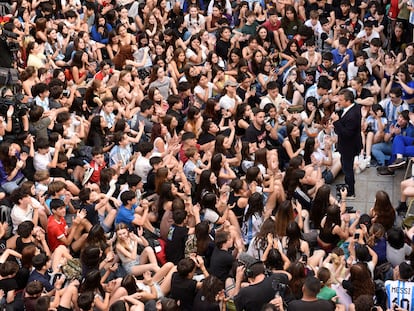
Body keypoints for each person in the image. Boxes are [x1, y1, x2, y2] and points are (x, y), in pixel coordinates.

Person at [330, 88, 362, 199]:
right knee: (345, 165)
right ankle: (347, 185)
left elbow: (346, 133)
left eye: (341, 100)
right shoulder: (355, 107)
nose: (338, 102)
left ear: (348, 101)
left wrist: (336, 122)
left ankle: (351, 191)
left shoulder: (352, 116)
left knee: (347, 168)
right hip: (349, 145)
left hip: (349, 147)